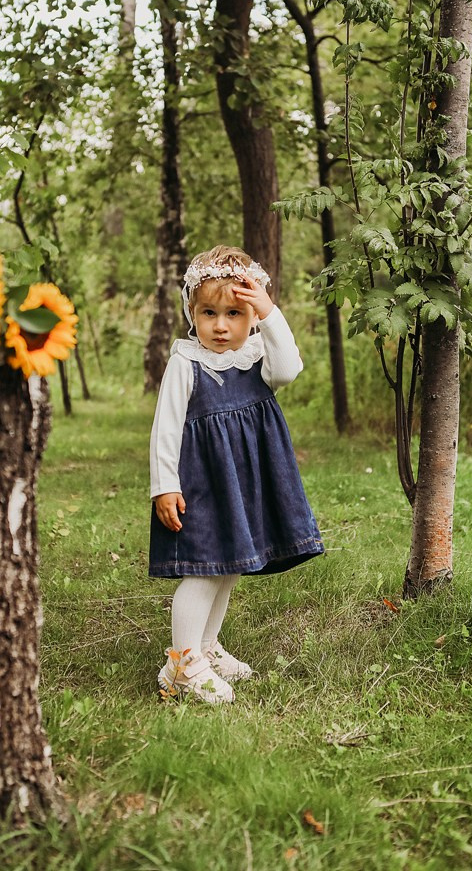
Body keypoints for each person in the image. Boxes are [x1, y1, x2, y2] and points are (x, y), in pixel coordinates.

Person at [149, 244, 324, 703]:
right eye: (209, 313)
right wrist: (164, 485)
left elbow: (290, 369)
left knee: (229, 567)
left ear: (251, 317)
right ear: (191, 311)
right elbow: (165, 428)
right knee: (205, 568)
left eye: (234, 313)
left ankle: (206, 646)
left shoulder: (258, 354)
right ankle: (182, 664)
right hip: (202, 484)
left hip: (246, 482)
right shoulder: (186, 360)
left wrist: (269, 311)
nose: (221, 326)